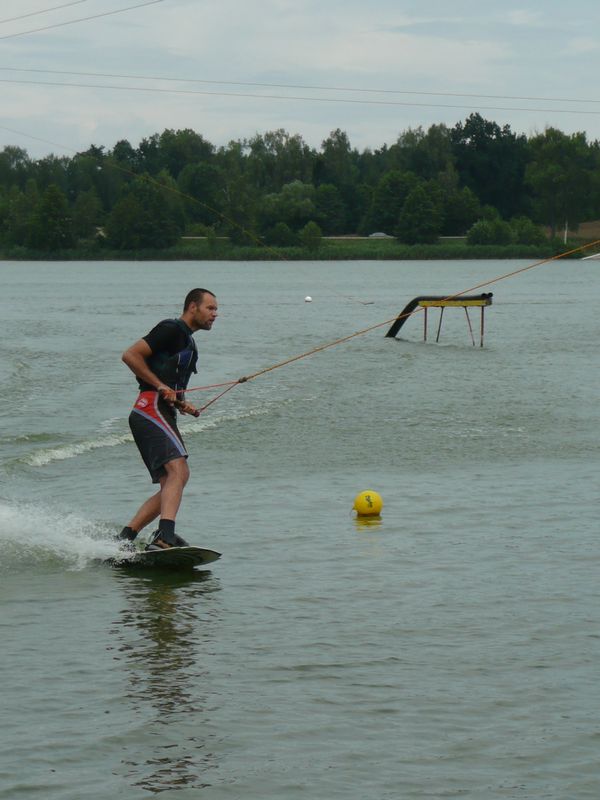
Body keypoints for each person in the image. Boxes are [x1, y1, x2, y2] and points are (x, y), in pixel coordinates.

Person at [118, 288, 218, 550]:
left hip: (161, 410)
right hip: (149, 407)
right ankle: (164, 536)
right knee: (178, 471)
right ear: (192, 307)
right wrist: (161, 386)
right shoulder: (172, 329)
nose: (215, 314)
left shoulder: (189, 342)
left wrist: (182, 404)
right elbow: (130, 355)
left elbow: (170, 384)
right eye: (210, 308)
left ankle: (126, 538)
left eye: (216, 310)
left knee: (174, 479)